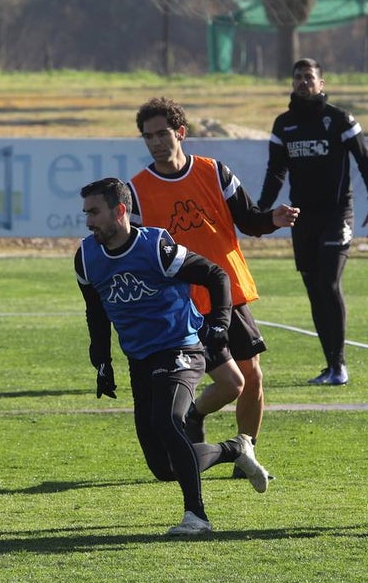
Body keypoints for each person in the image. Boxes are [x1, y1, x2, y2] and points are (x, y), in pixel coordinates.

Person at [75, 177, 272, 536]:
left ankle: (196, 517)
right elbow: (96, 313)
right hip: (140, 358)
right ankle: (235, 449)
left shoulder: (156, 247)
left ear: (120, 211)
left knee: (169, 420)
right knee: (163, 467)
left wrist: (218, 324)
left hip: (181, 346)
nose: (88, 221)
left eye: (94, 212)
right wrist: (102, 361)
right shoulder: (87, 257)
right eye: (86, 212)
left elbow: (215, 275)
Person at [128, 96, 298, 470]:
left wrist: (274, 219)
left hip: (228, 293)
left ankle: (246, 453)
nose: (156, 142)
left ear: (181, 133)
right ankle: (194, 416)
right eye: (148, 136)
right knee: (223, 382)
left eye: (163, 133)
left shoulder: (213, 172)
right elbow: (137, 252)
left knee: (252, 376)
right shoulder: (137, 190)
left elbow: (249, 220)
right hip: (182, 304)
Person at [258, 58, 368, 386]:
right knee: (314, 290)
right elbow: (275, 172)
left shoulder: (339, 120)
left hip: (337, 214)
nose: (303, 82)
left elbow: (366, 162)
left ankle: (340, 366)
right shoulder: (283, 124)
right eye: (297, 77)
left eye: (309, 77)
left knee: (328, 283)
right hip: (302, 218)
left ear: (321, 83)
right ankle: (331, 366)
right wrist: (259, 210)